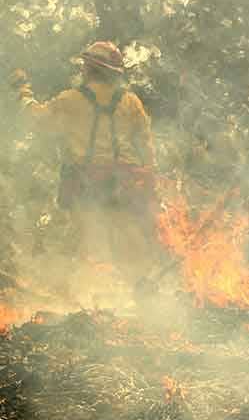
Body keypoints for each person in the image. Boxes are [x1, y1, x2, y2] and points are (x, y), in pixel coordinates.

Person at [8, 41, 160, 288]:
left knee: (89, 241)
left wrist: (23, 90)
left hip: (86, 182)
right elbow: (146, 147)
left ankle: (94, 295)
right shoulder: (131, 101)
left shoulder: (71, 99)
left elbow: (38, 120)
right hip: (127, 182)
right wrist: (150, 180)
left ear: (89, 68)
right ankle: (140, 290)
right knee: (129, 239)